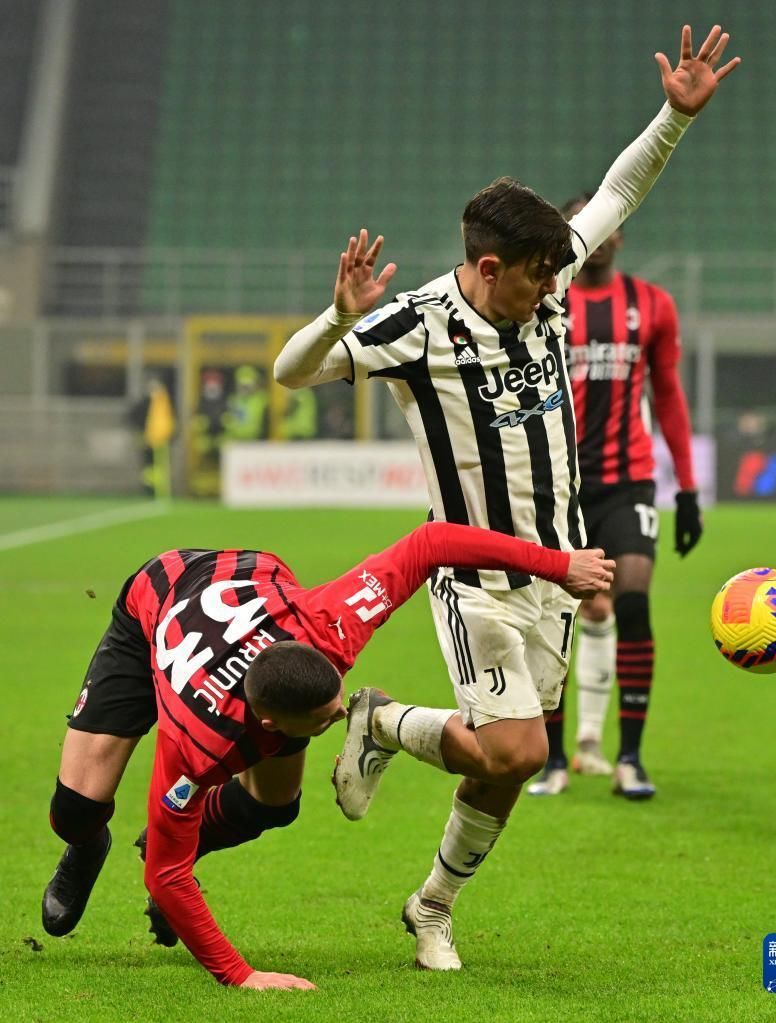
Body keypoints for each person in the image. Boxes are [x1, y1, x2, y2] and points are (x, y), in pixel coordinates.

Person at [275, 25, 738, 970]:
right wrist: (337, 316)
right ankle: (383, 730)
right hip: (473, 570)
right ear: (489, 267)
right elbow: (289, 376)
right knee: (522, 748)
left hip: (558, 566)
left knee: (505, 766)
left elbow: (616, 193)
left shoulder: (548, 272)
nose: (548, 288)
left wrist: (673, 118)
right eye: (533, 275)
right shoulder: (415, 327)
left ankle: (427, 892)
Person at [40, 522, 612, 990]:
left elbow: (431, 542)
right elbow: (162, 876)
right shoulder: (196, 745)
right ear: (269, 722)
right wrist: (242, 976)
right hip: (155, 605)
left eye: (336, 700)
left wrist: (559, 566)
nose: (339, 716)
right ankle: (88, 845)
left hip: (232, 588)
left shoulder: (331, 623)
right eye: (322, 720)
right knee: (77, 808)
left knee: (276, 804)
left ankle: (190, 840)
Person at [526, 192, 703, 802]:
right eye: (584, 225)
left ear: (621, 234)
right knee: (553, 619)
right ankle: (552, 760)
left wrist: (688, 489)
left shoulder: (652, 305)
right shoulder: (543, 300)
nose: (600, 235)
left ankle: (629, 759)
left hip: (628, 483)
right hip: (557, 488)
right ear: (565, 235)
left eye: (609, 224)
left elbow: (671, 398)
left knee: (632, 603)